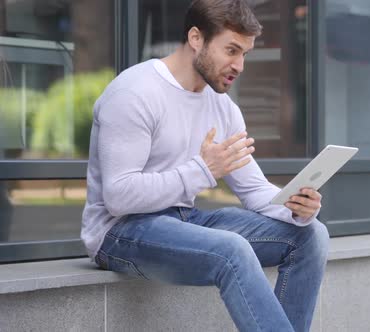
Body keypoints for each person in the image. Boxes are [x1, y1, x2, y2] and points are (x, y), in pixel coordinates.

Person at [80, 0, 329, 331]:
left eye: (244, 54)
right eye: (231, 50)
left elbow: (253, 189)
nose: (239, 65)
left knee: (311, 235)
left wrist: (295, 207)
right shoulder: (134, 93)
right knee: (232, 249)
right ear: (196, 38)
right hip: (119, 232)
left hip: (184, 219)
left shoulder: (223, 107)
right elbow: (119, 196)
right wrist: (202, 171)